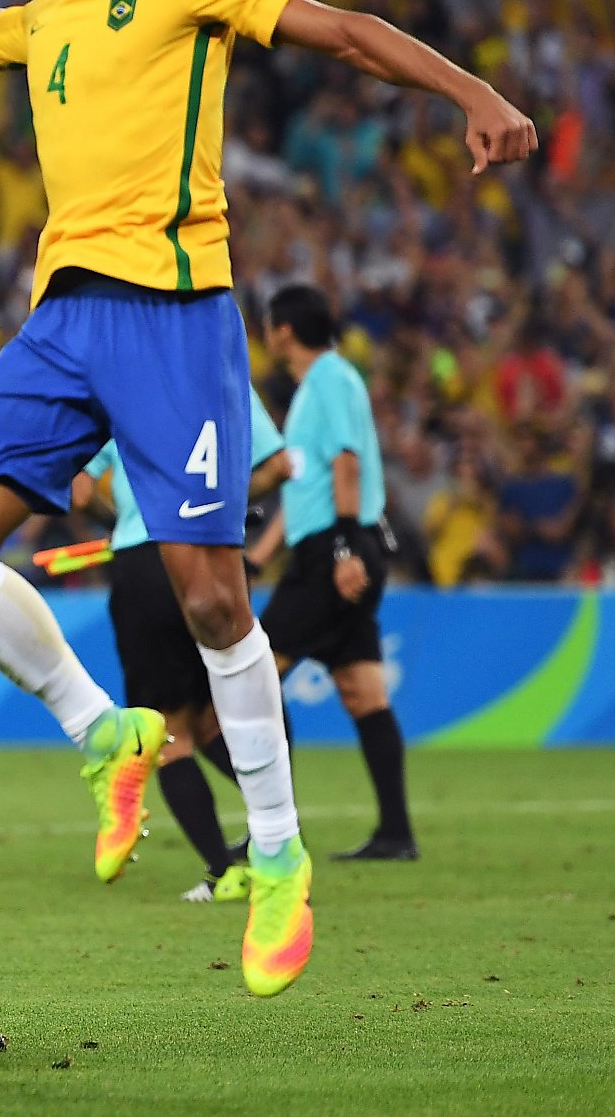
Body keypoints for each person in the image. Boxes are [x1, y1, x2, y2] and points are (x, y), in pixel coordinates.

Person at [0, 0, 535, 996]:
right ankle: (106, 731)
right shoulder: (36, 15)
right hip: (61, 319)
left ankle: (281, 851)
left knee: (207, 593)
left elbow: (342, 32)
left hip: (175, 312)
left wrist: (472, 89)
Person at [75, 386, 290, 901]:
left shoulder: (124, 389)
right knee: (218, 716)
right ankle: (280, 839)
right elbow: (279, 466)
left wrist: (116, 524)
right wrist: (230, 501)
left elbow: (78, 488)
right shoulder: (227, 380)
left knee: (170, 733)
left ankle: (225, 871)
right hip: (216, 555)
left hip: (147, 555)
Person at [260, 284, 415, 860]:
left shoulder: (327, 380)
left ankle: (275, 826)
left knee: (255, 674)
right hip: (332, 546)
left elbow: (345, 463)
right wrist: (259, 555)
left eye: (272, 325)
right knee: (362, 690)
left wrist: (346, 551)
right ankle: (396, 833)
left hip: (335, 551)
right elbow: (308, 484)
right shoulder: (321, 385)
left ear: (285, 331)